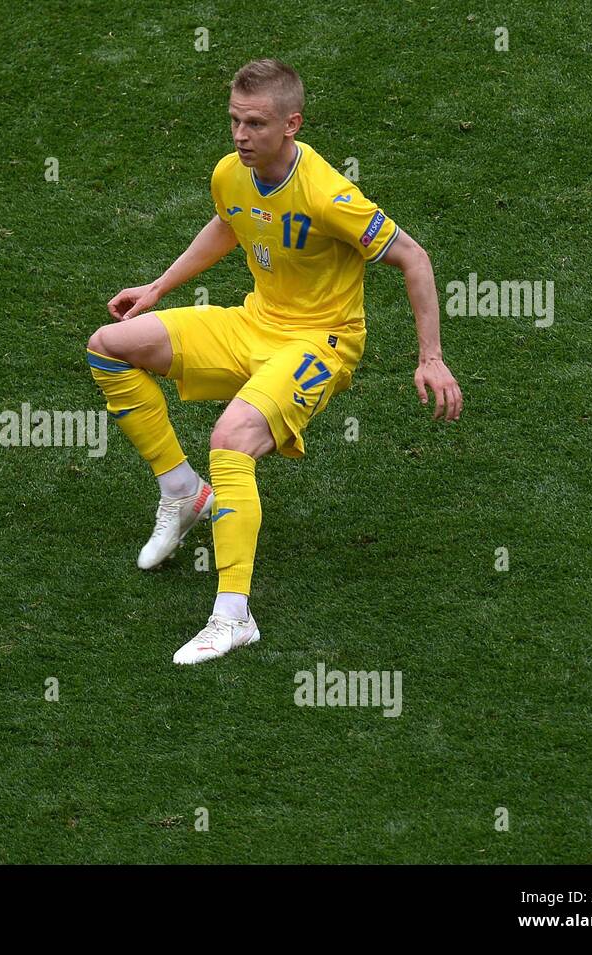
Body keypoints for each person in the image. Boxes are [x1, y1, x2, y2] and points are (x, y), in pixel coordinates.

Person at [87, 60, 462, 665]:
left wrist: (432, 357)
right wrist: (158, 287)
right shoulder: (233, 173)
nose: (239, 135)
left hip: (321, 343)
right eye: (234, 121)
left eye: (254, 124)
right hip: (254, 323)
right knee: (109, 346)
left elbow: (413, 258)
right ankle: (182, 492)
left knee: (231, 440)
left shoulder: (328, 194)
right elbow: (228, 224)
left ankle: (233, 617)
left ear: (291, 124)